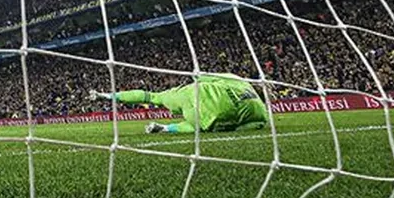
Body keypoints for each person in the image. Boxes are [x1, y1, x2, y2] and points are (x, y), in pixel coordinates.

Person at [91, 74, 269, 134]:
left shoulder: (238, 80)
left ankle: (106, 95)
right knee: (199, 126)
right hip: (212, 119)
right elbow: (243, 129)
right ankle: (166, 129)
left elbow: (200, 76)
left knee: (154, 97)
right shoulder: (262, 114)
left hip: (193, 94)